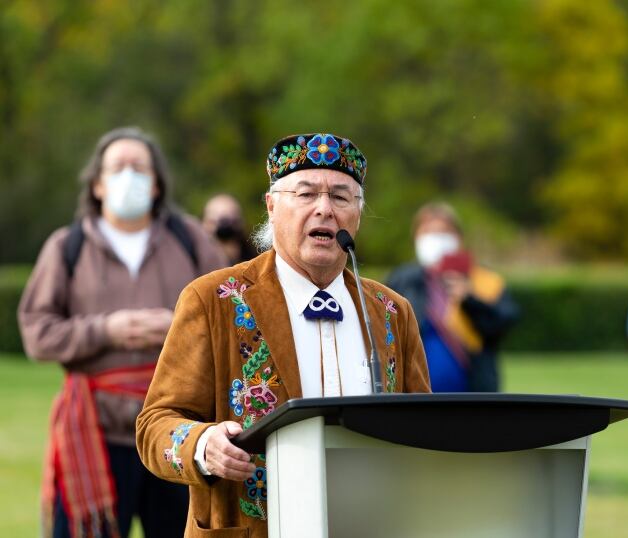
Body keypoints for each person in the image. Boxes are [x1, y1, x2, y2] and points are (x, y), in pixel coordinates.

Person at [135, 132, 431, 536]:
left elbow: (424, 427)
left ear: (358, 214)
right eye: (306, 194)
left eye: (341, 197)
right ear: (272, 207)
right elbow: (155, 424)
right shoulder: (213, 299)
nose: (325, 209)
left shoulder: (393, 311)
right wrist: (204, 445)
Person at [17, 126, 227, 538]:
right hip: (95, 433)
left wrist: (178, 326)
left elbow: (230, 312)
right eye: (117, 167)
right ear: (97, 184)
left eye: (139, 167)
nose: (128, 175)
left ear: (156, 184)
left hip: (179, 431)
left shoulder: (191, 242)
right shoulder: (66, 247)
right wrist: (106, 331)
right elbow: (37, 332)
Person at [386, 202, 518, 392]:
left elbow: (503, 321)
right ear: (416, 238)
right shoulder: (403, 280)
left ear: (458, 237)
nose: (435, 239)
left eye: (443, 232)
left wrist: (470, 300)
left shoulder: (483, 279)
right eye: (428, 232)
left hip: (474, 392)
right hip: (414, 395)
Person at [203, 193, 256, 264]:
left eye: (233, 222)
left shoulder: (255, 262)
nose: (224, 228)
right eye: (213, 222)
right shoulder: (195, 263)